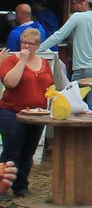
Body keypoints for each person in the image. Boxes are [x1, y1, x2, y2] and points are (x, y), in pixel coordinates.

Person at [0, 28, 54, 198]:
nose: (26, 46)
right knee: (11, 151)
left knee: (28, 151)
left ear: (38, 46)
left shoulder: (44, 63)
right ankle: (2, 187)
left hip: (37, 114)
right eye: (23, 42)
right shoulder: (11, 60)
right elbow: (10, 83)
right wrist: (22, 60)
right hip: (12, 112)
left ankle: (21, 186)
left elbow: (50, 84)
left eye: (30, 43)